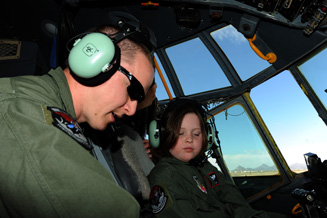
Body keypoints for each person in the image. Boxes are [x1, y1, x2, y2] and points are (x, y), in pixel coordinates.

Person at [0, 16, 156, 218]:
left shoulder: (55, 111)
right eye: (133, 91)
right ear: (96, 60)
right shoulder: (22, 110)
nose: (132, 110)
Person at [147, 98, 291, 218]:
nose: (189, 139)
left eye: (196, 134)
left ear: (207, 137)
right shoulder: (164, 176)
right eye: (180, 133)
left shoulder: (204, 166)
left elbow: (235, 204)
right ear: (160, 135)